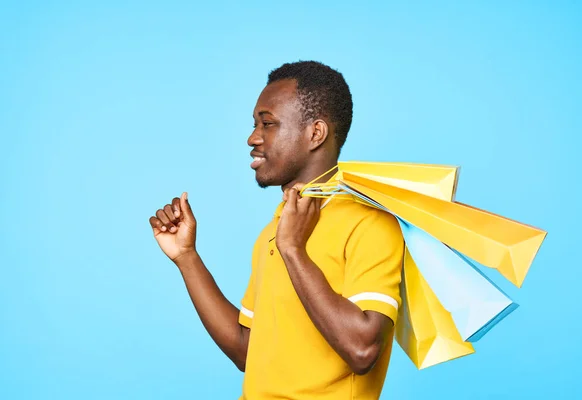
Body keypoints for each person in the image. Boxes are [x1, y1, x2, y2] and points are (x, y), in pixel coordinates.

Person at [149, 61, 404, 399]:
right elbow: (246, 350)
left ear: (315, 133)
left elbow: (362, 351)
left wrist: (294, 250)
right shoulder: (276, 229)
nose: (253, 138)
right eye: (256, 124)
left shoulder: (370, 224)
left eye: (267, 124)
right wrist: (186, 257)